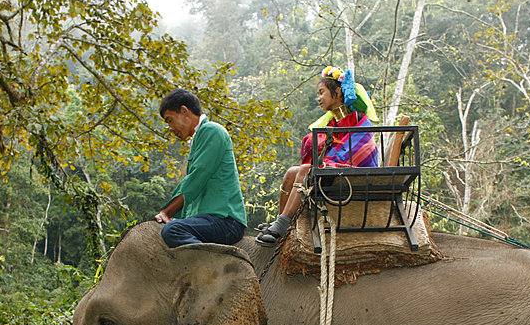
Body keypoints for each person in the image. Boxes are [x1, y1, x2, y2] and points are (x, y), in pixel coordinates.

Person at [256, 66, 380, 247]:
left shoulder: (359, 120)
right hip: (334, 169)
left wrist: (328, 163)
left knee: (306, 169)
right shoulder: (333, 123)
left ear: (337, 92)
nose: (319, 98)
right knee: (292, 172)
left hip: (353, 173)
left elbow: (358, 151)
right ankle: (281, 222)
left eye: (322, 92)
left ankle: (281, 225)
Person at [154, 89, 248, 247]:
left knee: (172, 230)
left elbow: (197, 179)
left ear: (184, 111)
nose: (170, 128)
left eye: (170, 120)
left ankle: (214, 269)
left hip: (225, 220)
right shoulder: (199, 138)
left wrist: (167, 212)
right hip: (208, 220)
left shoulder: (212, 131)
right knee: (174, 226)